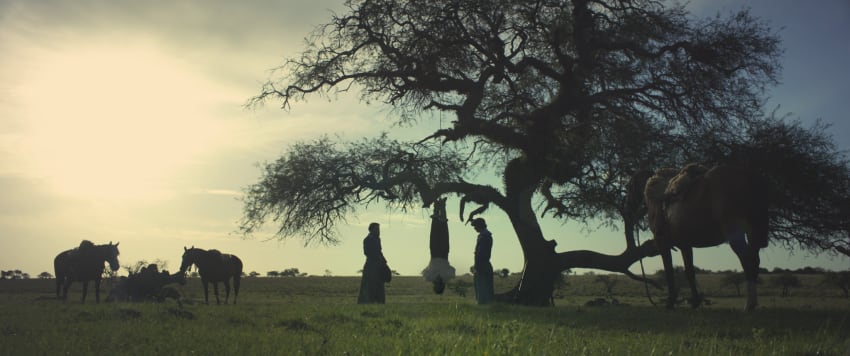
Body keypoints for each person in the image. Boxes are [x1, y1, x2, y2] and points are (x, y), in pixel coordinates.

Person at [357, 222, 387, 304]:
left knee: (379, 286)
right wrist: (377, 259)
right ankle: (367, 303)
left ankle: (380, 302)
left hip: (378, 265)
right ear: (371, 230)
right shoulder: (367, 240)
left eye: (379, 229)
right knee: (369, 286)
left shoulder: (377, 239)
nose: (378, 231)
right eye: (376, 229)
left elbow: (379, 251)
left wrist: (384, 261)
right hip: (371, 266)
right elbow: (367, 252)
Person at [471, 218, 494, 304]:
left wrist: (477, 266)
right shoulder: (486, 236)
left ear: (479, 226)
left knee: (482, 289)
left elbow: (481, 254)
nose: (474, 228)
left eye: (475, 226)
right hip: (484, 265)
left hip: (482, 266)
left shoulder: (484, 237)